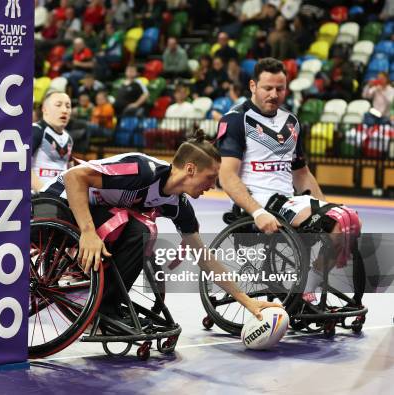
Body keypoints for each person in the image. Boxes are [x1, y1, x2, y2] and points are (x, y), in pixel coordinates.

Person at [40, 131, 281, 321]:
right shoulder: (142, 170)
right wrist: (88, 233)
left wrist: (245, 300)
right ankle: (102, 304)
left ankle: (105, 308)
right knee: (134, 227)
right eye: (210, 177)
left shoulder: (178, 204)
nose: (212, 185)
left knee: (140, 231)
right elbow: (74, 177)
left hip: (92, 213)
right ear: (190, 169)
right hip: (55, 203)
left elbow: (203, 256)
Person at [215, 58, 362, 303]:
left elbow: (301, 173)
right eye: (267, 88)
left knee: (349, 221)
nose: (274, 94)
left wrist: (325, 207)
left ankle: (308, 283)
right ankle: (306, 290)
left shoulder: (291, 122)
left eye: (280, 89)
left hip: (290, 202)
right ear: (253, 86)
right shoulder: (234, 120)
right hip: (260, 203)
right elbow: (227, 176)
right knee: (338, 222)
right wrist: (257, 212)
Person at [31, 91, 73, 193]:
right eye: (58, 105)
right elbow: (22, 166)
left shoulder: (69, 138)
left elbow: (70, 169)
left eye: (68, 106)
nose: (64, 110)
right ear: (45, 109)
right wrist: (43, 192)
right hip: (37, 197)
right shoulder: (36, 130)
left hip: (61, 198)